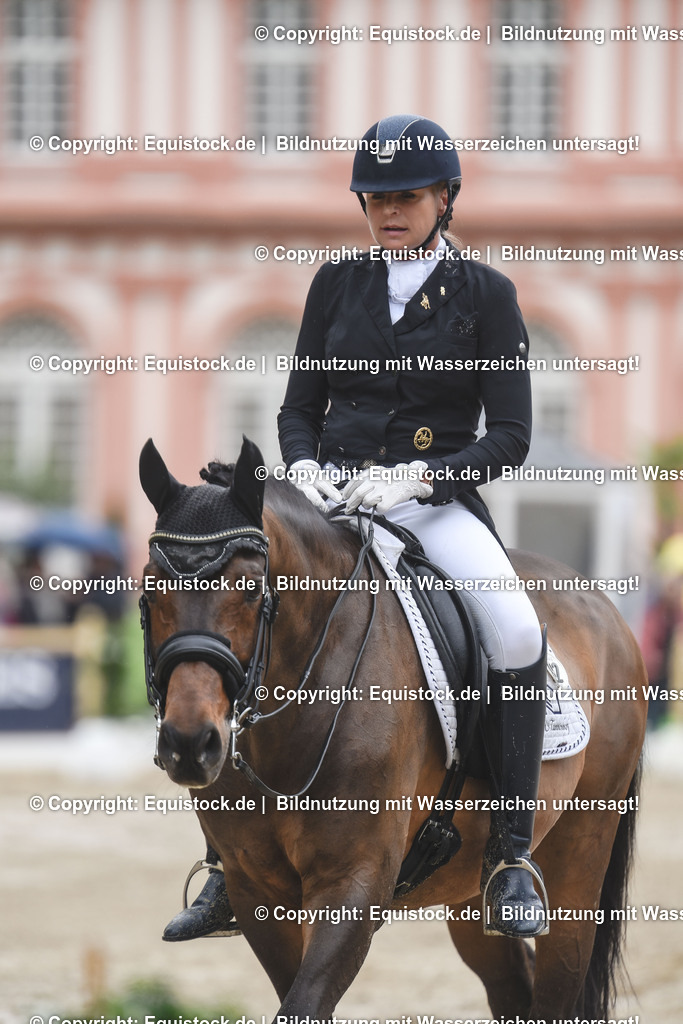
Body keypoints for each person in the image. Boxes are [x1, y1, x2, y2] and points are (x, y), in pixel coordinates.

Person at [164, 114, 548, 942]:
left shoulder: (486, 295)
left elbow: (510, 435)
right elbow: (298, 408)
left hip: (429, 500)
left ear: (445, 197)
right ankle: (228, 867)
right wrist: (301, 469)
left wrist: (420, 477)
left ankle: (511, 855)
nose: (386, 212)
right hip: (327, 493)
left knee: (515, 629)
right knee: (228, 612)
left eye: (405, 196)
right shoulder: (335, 285)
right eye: (373, 198)